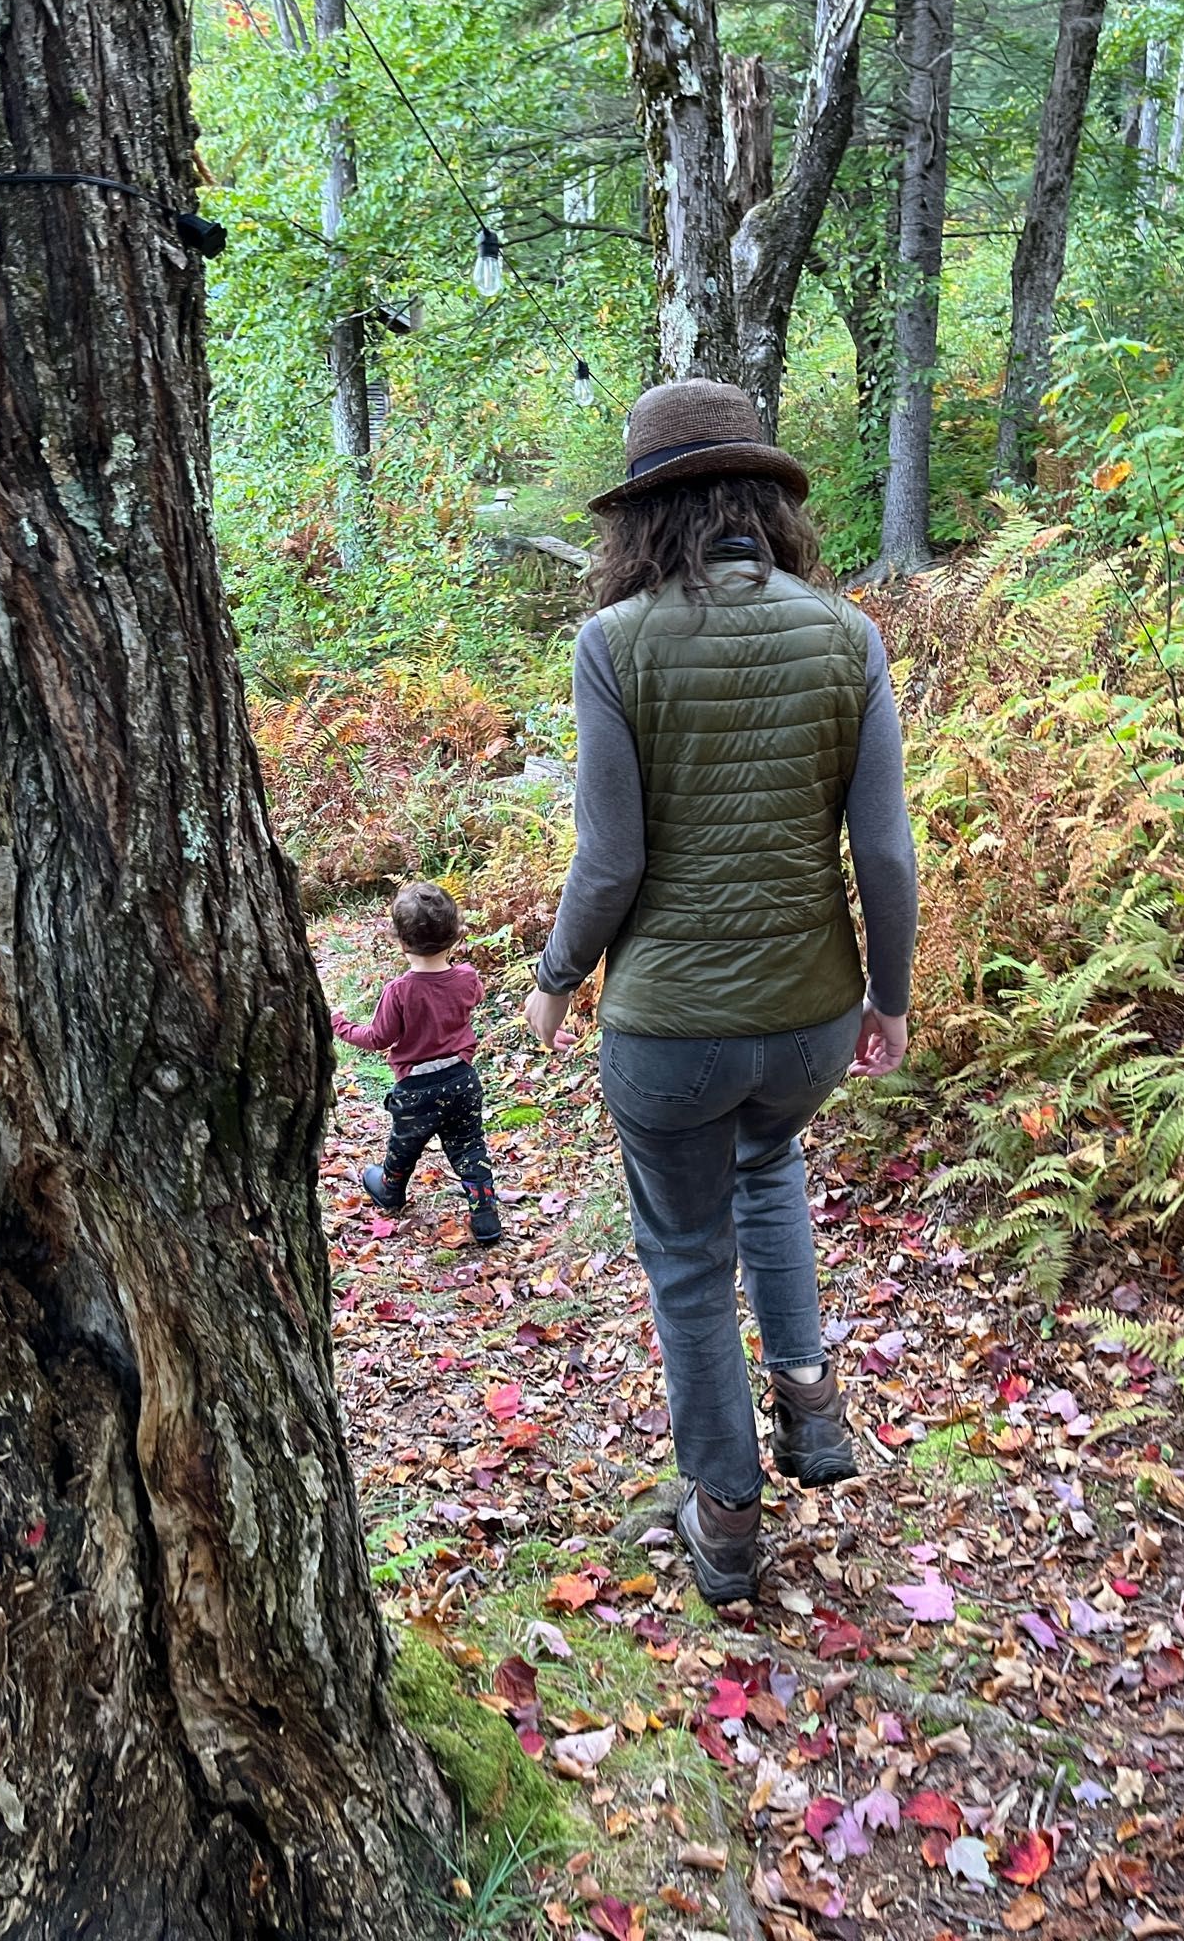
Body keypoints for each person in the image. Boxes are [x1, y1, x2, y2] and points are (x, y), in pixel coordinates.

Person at [523, 378, 917, 1605]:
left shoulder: (616, 642)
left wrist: (552, 977)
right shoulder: (847, 635)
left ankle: (730, 1513)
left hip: (671, 1032)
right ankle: (809, 1392)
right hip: (807, 1021)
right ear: (763, 500)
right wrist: (888, 998)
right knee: (770, 1165)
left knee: (688, 1258)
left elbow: (612, 859)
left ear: (646, 518)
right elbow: (888, 855)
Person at [332, 880, 501, 1245]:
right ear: (456, 934)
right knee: (469, 1144)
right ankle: (485, 1213)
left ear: (402, 941)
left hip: (417, 1090)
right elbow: (474, 997)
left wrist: (339, 1024)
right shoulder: (467, 977)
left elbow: (378, 1038)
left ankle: (391, 1189)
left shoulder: (400, 991)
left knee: (404, 1146)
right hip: (462, 1079)